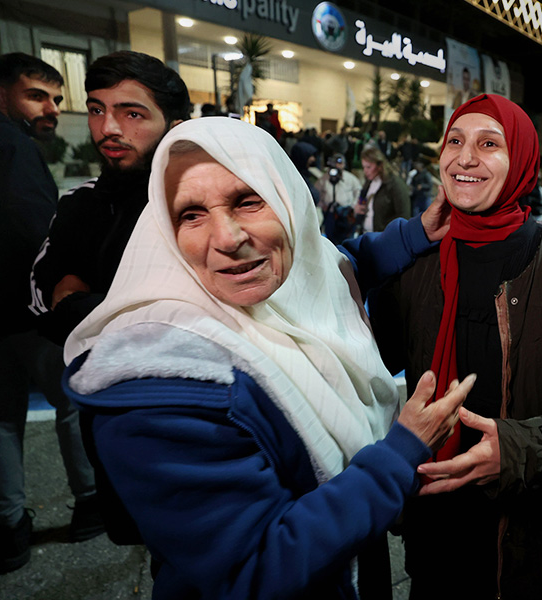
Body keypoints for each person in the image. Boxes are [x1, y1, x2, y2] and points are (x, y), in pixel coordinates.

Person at [61, 116, 472, 599]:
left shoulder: (271, 274)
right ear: (163, 231)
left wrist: (412, 235)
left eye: (248, 200)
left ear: (290, 203)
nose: (227, 237)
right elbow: (253, 572)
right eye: (191, 214)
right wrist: (401, 453)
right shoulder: (160, 394)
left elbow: (328, 267)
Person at [369, 94, 542, 599]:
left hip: (532, 538)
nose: (465, 157)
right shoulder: (413, 263)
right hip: (435, 526)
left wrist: (516, 451)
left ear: (521, 161)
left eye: (489, 144)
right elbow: (369, 378)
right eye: (455, 141)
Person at [0, 53, 100, 574]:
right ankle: (91, 504)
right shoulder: (7, 144)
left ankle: (9, 530)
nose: (50, 109)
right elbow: (42, 233)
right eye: (36, 96)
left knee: (0, 418)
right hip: (30, 314)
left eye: (55, 99)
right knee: (71, 404)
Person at [30, 51, 190, 345]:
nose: (108, 128)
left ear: (174, 126)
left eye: (132, 114)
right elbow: (42, 293)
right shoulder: (79, 201)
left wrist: (80, 307)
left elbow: (190, 316)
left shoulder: (193, 207)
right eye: (97, 110)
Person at [355, 146, 411, 233]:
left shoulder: (395, 184)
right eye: (364, 167)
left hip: (383, 237)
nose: (365, 171)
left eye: (368, 167)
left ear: (380, 165)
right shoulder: (369, 182)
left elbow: (404, 215)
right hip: (366, 234)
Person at [316, 152, 363, 243]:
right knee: (330, 240)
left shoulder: (350, 178)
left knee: (347, 239)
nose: (337, 166)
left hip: (346, 213)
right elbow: (316, 194)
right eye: (335, 163)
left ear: (344, 165)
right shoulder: (324, 179)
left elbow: (359, 192)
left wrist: (353, 206)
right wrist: (322, 205)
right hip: (330, 213)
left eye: (340, 163)